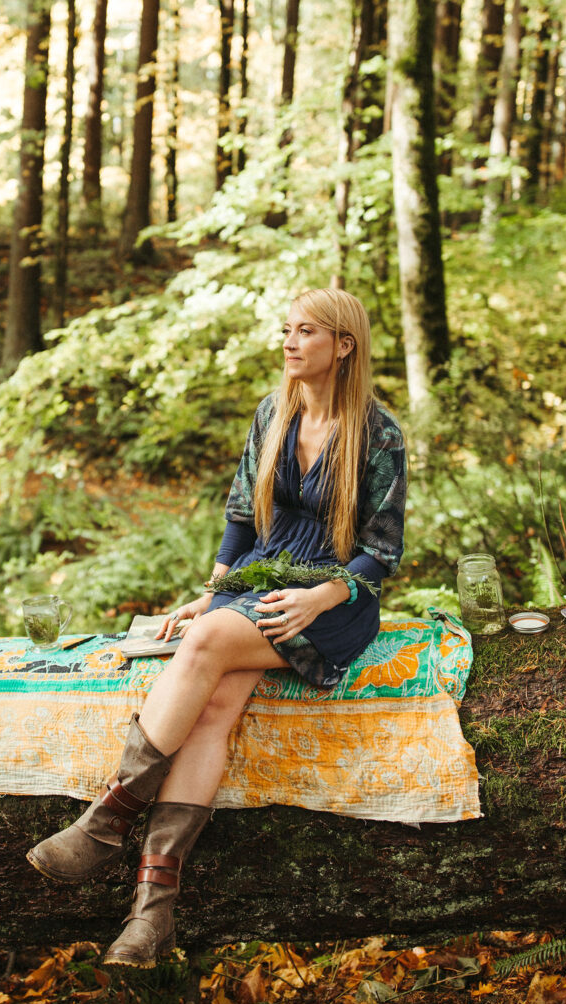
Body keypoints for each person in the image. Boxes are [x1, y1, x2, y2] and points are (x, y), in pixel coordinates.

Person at [27, 287, 406, 969]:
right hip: (262, 579)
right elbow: (239, 517)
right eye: (285, 330)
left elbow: (380, 551)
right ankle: (151, 917)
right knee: (215, 709)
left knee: (202, 646)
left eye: (306, 332)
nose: (290, 343)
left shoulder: (378, 433)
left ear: (343, 345)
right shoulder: (272, 413)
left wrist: (320, 599)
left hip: (331, 599)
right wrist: (213, 591)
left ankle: (106, 818)